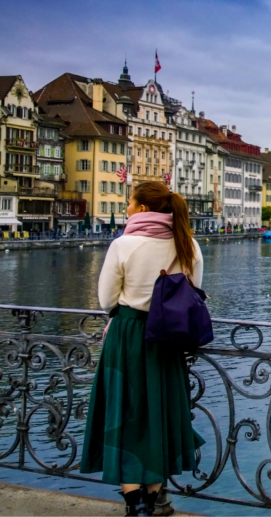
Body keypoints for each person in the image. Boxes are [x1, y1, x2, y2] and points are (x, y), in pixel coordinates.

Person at [81, 182, 205, 516]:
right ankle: (153, 501)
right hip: (168, 341)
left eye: (129, 203)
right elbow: (194, 293)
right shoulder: (188, 245)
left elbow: (107, 299)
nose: (126, 209)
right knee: (158, 415)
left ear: (142, 209)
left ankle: (134, 505)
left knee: (125, 414)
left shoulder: (124, 244)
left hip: (129, 337)